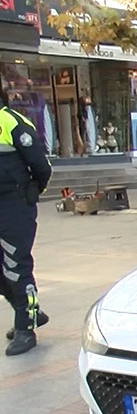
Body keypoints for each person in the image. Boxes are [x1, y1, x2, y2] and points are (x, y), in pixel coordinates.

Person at [0, 91, 52, 356]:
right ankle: (30, 311)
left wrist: (31, 191)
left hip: (14, 205)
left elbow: (41, 166)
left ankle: (25, 328)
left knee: (16, 266)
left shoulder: (11, 122)